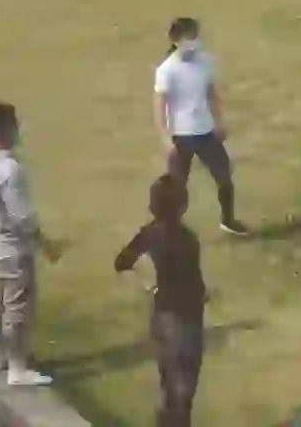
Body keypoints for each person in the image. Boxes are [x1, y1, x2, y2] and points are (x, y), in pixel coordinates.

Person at [0, 102, 59, 387]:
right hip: (12, 249)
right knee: (17, 309)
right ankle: (18, 368)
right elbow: (21, 216)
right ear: (6, 129)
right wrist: (46, 245)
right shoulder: (10, 169)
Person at [115, 174, 208, 427]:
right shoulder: (187, 239)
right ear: (182, 205)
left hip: (161, 314)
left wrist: (147, 283)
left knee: (168, 383)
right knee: (185, 388)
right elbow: (194, 281)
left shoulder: (149, 233)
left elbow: (122, 263)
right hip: (185, 316)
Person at [154, 18, 249, 236]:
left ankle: (228, 220)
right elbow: (160, 107)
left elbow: (211, 94)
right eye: (189, 38)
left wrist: (219, 122)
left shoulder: (205, 62)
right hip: (181, 136)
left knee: (224, 177)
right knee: (177, 187)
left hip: (206, 132)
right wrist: (166, 139)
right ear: (176, 41)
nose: (194, 42)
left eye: (195, 36)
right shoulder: (167, 70)